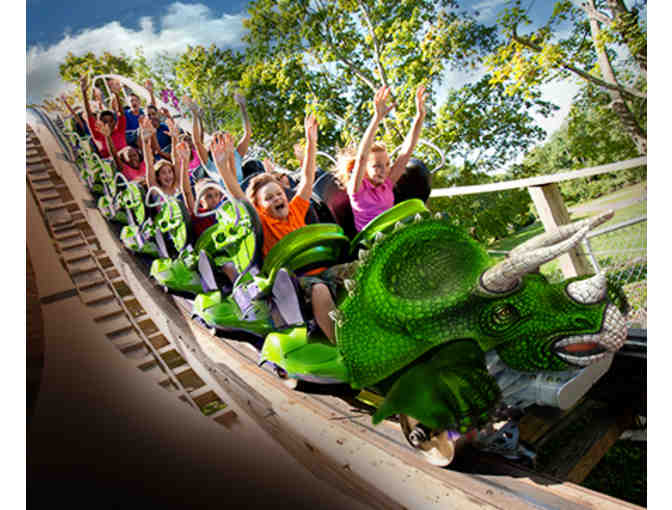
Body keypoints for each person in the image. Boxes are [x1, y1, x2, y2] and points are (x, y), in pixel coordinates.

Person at [211, 115, 340, 343]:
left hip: (324, 269)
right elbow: (238, 196)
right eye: (269, 198)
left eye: (279, 194)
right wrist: (223, 166)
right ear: (259, 207)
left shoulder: (296, 209)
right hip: (296, 281)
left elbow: (307, 178)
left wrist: (311, 142)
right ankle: (340, 344)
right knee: (320, 290)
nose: (277, 199)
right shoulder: (262, 221)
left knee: (359, 269)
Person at [335, 84, 427, 231]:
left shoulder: (387, 185)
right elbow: (362, 158)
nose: (384, 170)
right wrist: (377, 118)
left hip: (391, 234)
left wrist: (419, 117)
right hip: (369, 240)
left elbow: (406, 151)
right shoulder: (357, 189)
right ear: (365, 169)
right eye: (377, 166)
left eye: (387, 164)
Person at [184, 93, 252, 182]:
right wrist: (194, 114)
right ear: (212, 146)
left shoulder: (236, 155)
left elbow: (247, 133)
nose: (222, 144)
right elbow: (197, 142)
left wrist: (242, 107)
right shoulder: (209, 163)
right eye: (217, 141)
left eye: (224, 139)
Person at [80, 77, 128, 159]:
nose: (108, 124)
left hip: (128, 161)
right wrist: (84, 92)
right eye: (105, 121)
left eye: (110, 121)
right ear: (100, 123)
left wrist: (116, 94)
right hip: (113, 164)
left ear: (114, 122)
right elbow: (89, 115)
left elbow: (121, 115)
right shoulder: (98, 134)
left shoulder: (119, 130)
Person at [139, 116, 179, 199]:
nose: (168, 176)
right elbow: (149, 163)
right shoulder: (156, 190)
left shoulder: (177, 186)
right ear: (158, 177)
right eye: (163, 173)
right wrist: (145, 141)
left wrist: (175, 138)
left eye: (170, 172)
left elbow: (176, 159)